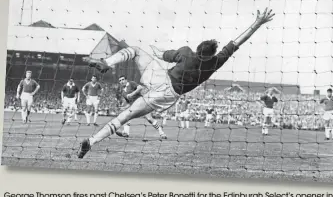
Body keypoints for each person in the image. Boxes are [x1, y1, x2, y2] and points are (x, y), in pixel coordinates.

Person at [78, 8, 274, 158]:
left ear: (198, 48)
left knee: (136, 50)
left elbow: (161, 54)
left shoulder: (187, 52)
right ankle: (92, 141)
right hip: (169, 96)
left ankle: (106, 63)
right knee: (125, 117)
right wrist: (257, 23)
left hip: (161, 78)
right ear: (213, 53)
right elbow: (237, 42)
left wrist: (152, 51)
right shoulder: (216, 63)